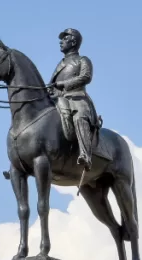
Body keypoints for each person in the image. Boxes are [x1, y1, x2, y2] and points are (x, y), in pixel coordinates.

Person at [48, 28, 98, 169]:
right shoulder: (60, 64)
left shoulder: (83, 60)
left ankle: (85, 155)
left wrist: (64, 84)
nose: (61, 41)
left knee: (79, 116)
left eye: (65, 38)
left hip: (77, 98)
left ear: (73, 41)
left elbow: (86, 77)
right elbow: (53, 84)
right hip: (59, 99)